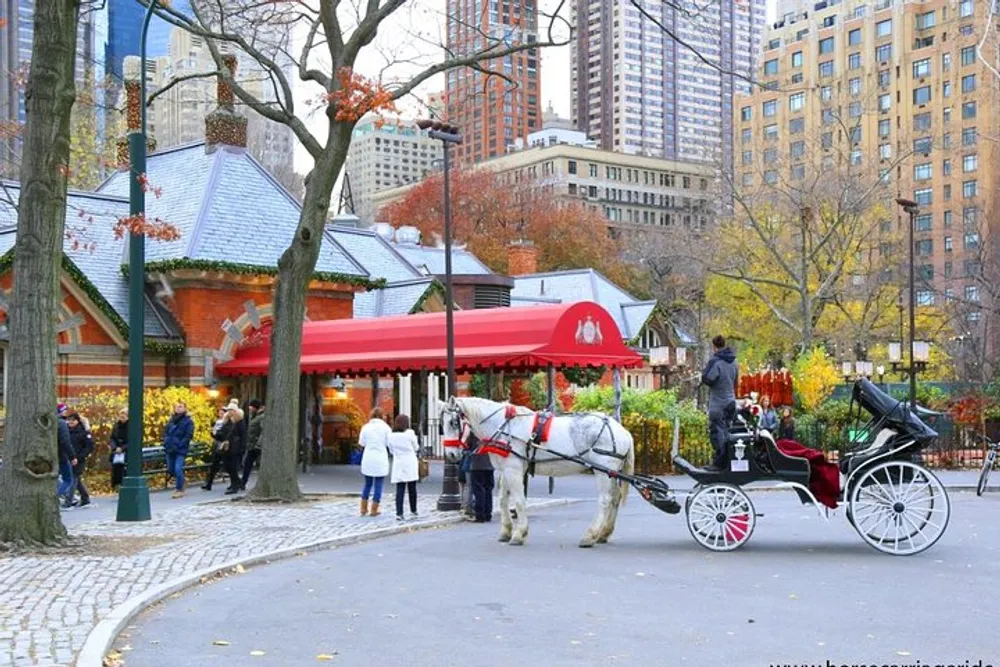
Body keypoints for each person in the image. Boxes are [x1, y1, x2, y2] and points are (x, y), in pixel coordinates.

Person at [701, 335, 738, 471]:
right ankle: (728, 460)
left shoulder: (715, 362)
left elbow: (708, 379)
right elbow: (735, 382)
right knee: (727, 431)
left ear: (714, 347)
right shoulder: (734, 362)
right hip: (731, 401)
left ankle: (719, 463)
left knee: (717, 433)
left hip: (718, 403)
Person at [358, 407, 391, 516]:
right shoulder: (386, 428)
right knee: (378, 484)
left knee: (367, 484)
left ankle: (363, 508)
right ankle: (374, 509)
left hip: (368, 457)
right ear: (382, 416)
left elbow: (362, 443)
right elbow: (388, 443)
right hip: (380, 457)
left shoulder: (366, 427)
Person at [387, 414, 420, 522]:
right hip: (410, 461)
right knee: (412, 488)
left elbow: (391, 450)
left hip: (399, 462)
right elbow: (416, 447)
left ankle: (399, 513)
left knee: (400, 489)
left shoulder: (391, 436)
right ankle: (413, 510)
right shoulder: (410, 434)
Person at [163, 401, 195, 499]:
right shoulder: (171, 420)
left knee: (177, 468)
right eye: (176, 407)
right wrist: (165, 441)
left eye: (180, 406)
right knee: (170, 469)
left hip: (180, 449)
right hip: (169, 447)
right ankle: (182, 481)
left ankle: (179, 489)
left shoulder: (188, 421)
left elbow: (188, 435)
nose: (178, 408)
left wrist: (181, 444)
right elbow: (166, 432)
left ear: (185, 408)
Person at [66, 412, 94, 508]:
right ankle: (85, 498)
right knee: (77, 479)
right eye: (69, 420)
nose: (70, 422)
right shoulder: (66, 431)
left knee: (73, 478)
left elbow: (89, 446)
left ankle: (68, 501)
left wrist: (81, 456)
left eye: (72, 420)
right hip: (69, 458)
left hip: (79, 459)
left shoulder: (84, 432)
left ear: (77, 421)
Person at [240, 399, 265, 492]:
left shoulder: (261, 417)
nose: (249, 409)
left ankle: (243, 482)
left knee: (249, 463)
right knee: (247, 463)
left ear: (255, 407)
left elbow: (263, 431)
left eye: (251, 407)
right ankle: (243, 482)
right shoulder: (254, 416)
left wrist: (259, 444)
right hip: (252, 444)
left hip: (256, 445)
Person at [468, 436, 495, 523]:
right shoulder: (490, 431)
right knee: (488, 489)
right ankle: (488, 513)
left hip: (477, 463)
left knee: (478, 489)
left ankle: (480, 514)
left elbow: (467, 445)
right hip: (490, 463)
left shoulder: (473, 432)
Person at [56, 404, 77, 509]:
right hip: (61, 456)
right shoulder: (61, 423)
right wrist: (72, 456)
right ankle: (54, 497)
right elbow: (65, 441)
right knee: (68, 479)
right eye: (64, 410)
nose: (66, 412)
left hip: (49, 456)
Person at [108, 408, 128, 491]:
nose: (122, 418)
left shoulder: (131, 426)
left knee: (124, 470)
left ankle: (124, 486)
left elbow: (132, 440)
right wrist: (114, 447)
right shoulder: (116, 426)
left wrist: (122, 448)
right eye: (120, 416)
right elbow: (112, 438)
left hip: (126, 452)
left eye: (124, 416)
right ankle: (117, 485)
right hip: (116, 451)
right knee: (116, 469)